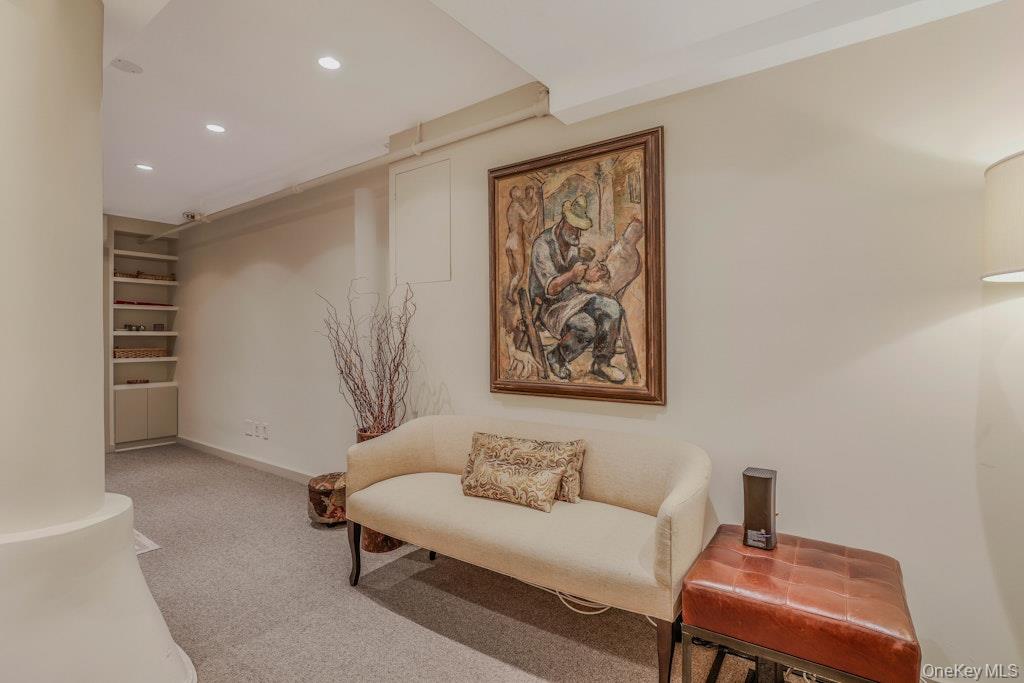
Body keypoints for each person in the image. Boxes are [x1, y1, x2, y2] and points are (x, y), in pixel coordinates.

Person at [527, 194, 626, 384]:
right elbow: (553, 288)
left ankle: (601, 363)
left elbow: (575, 280)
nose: (578, 235)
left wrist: (589, 276)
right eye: (574, 228)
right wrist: (573, 275)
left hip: (573, 298)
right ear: (564, 221)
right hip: (550, 306)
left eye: (580, 230)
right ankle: (557, 357)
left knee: (612, 307)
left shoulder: (572, 244)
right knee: (587, 327)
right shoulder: (542, 244)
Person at [504, 185, 538, 302]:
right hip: (516, 241)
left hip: (509, 241)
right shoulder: (517, 207)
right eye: (519, 193)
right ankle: (510, 294)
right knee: (519, 273)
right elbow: (528, 218)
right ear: (515, 195)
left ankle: (511, 293)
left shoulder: (510, 208)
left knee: (513, 272)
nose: (521, 194)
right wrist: (536, 208)